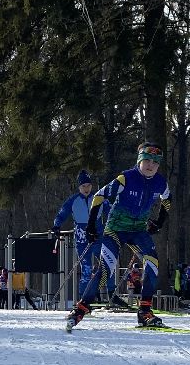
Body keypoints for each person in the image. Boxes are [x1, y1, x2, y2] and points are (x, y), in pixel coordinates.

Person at [68, 141, 171, 330]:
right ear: (139, 160)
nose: (151, 166)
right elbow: (99, 196)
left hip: (138, 231)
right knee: (106, 269)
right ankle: (80, 309)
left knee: (152, 263)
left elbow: (167, 200)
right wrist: (91, 225)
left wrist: (159, 221)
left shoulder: (160, 182)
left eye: (155, 163)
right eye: (147, 160)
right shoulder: (126, 178)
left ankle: (145, 312)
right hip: (115, 230)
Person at [51, 170, 98, 290]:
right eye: (83, 186)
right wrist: (56, 225)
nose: (86, 188)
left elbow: (110, 211)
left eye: (88, 186)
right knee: (86, 269)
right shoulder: (74, 200)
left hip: (97, 235)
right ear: (79, 187)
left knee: (106, 265)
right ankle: (83, 297)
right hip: (81, 238)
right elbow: (62, 213)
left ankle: (105, 293)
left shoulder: (97, 198)